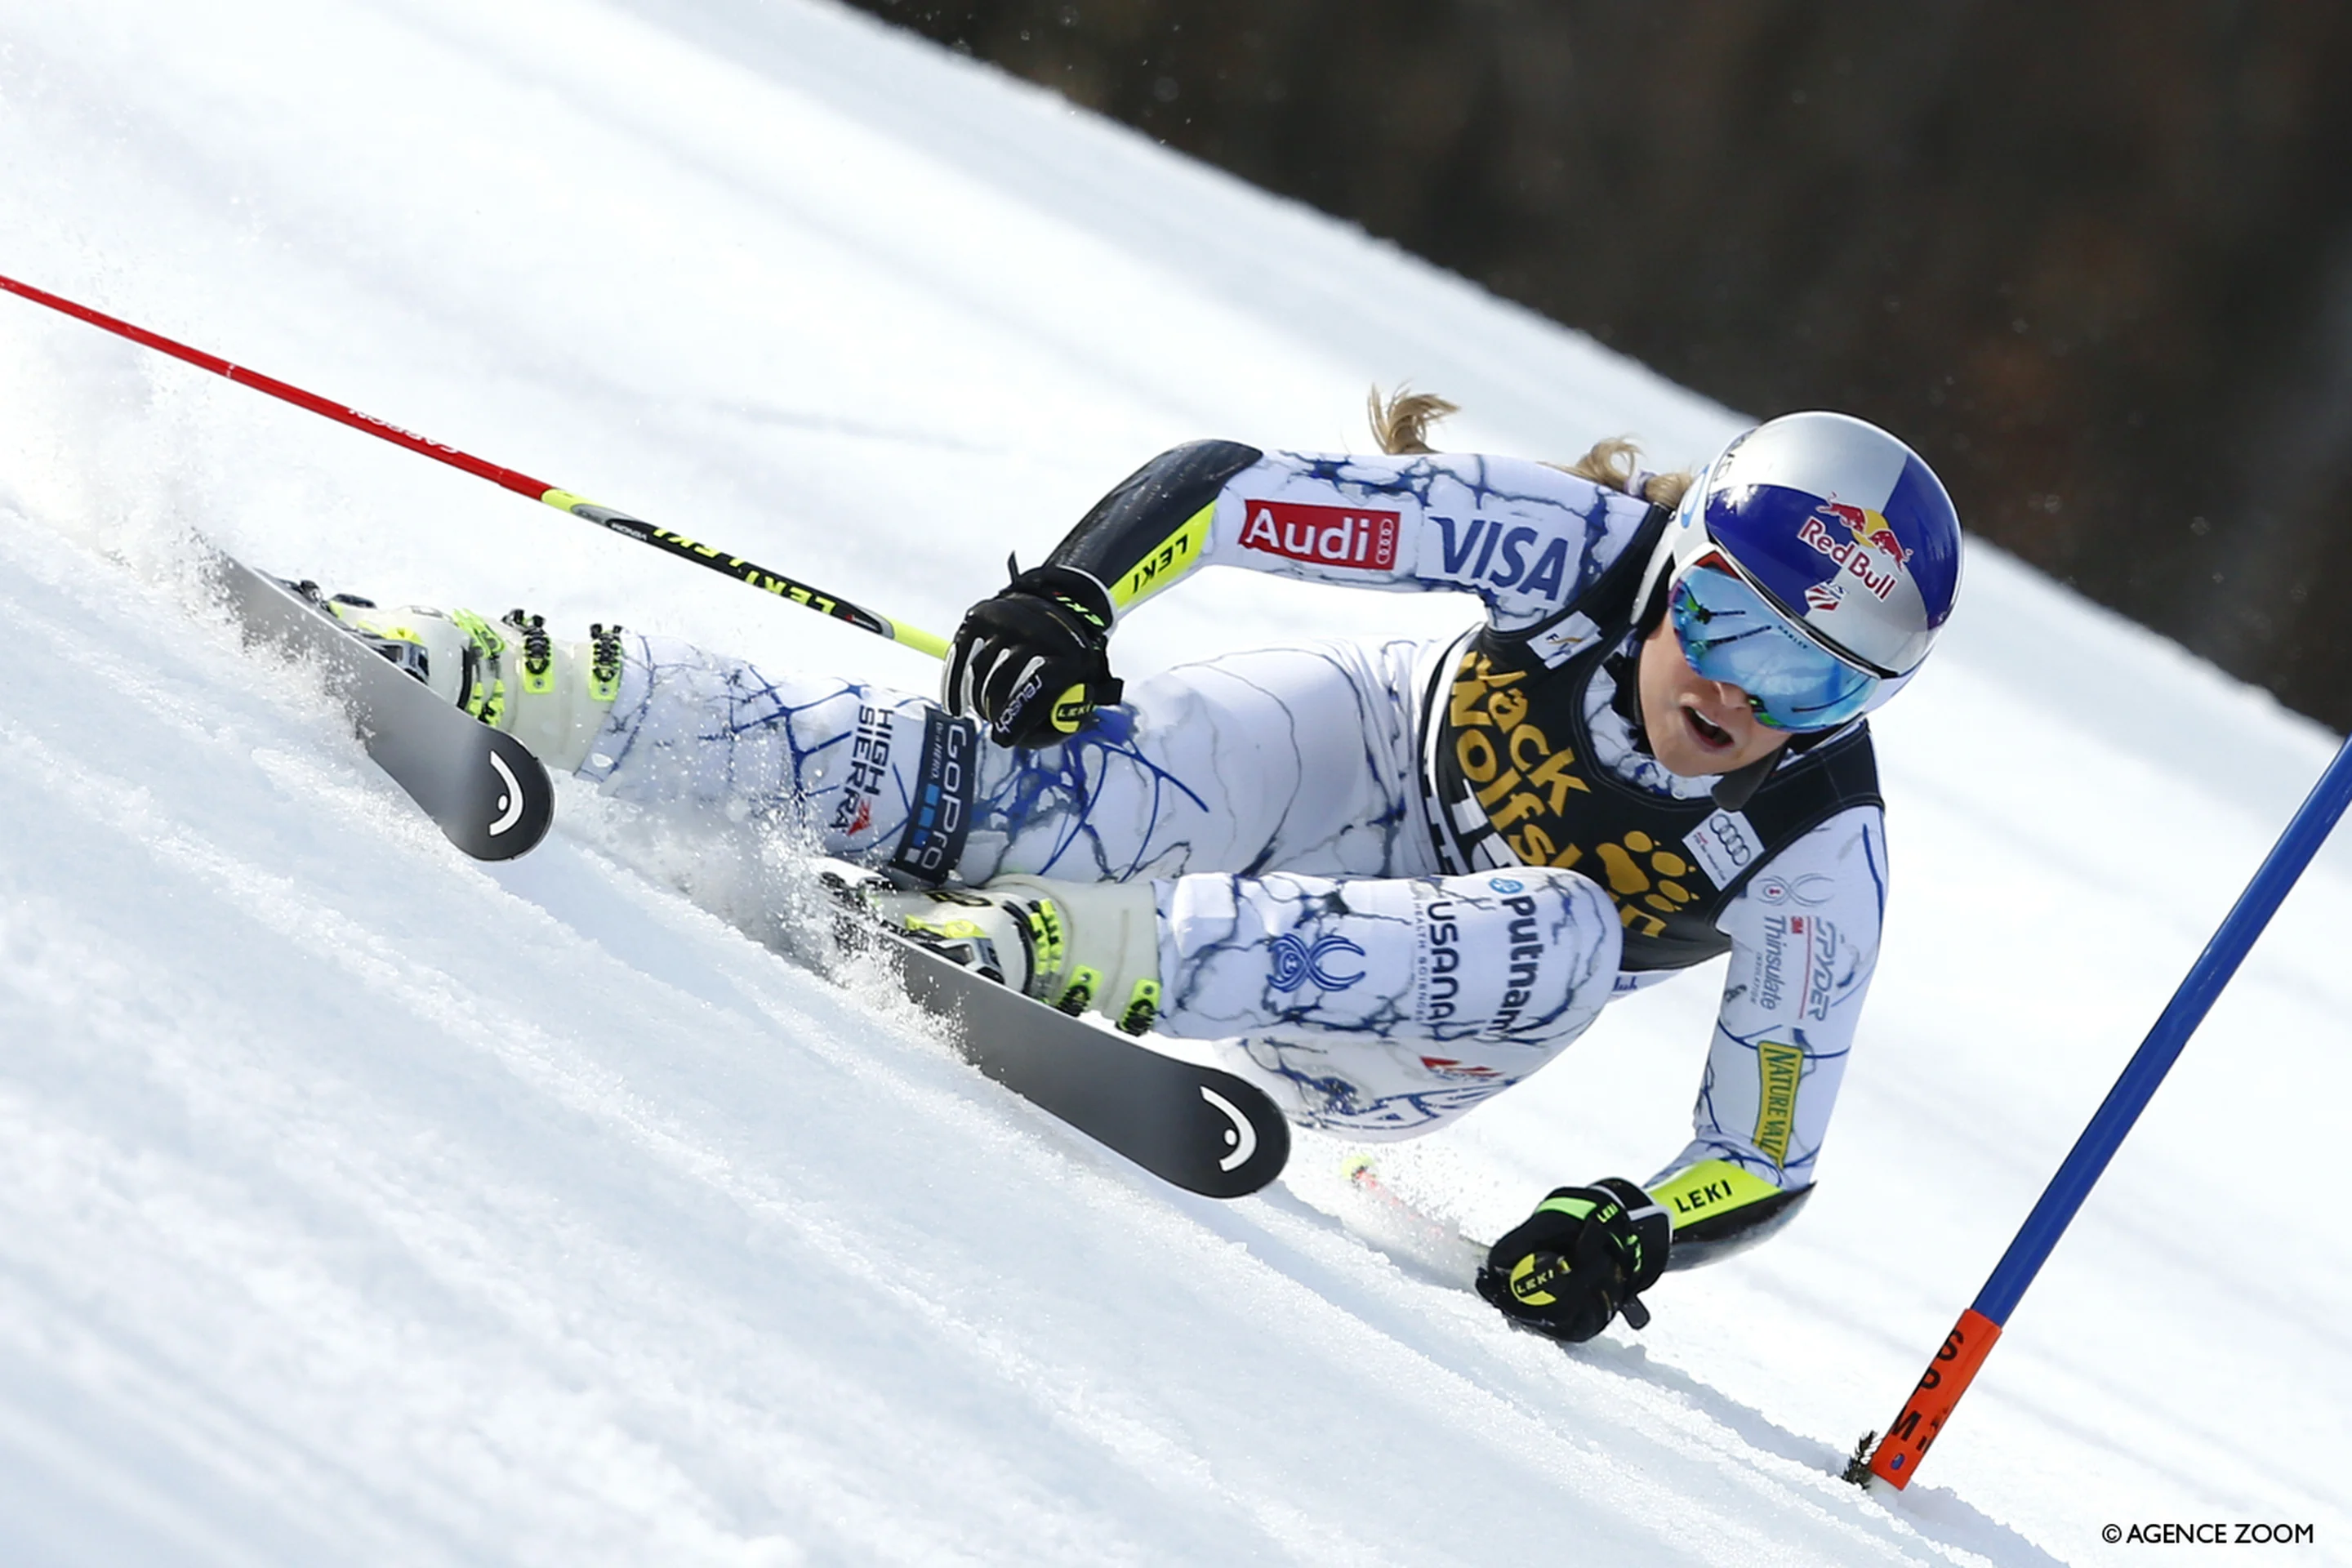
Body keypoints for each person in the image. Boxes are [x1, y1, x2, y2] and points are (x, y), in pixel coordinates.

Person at [324, 391, 1962, 1345]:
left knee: (1570, 929)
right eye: (1735, 619)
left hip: (1398, 1035)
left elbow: (1764, 1145)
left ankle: (1070, 953)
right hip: (1363, 749)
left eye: (1822, 683)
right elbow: (1244, 495)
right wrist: (1077, 600)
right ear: (1684, 564)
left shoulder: (1822, 849)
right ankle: (520, 672)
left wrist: (1631, 1228)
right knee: (990, 782)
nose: (1745, 694)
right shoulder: (1580, 549)